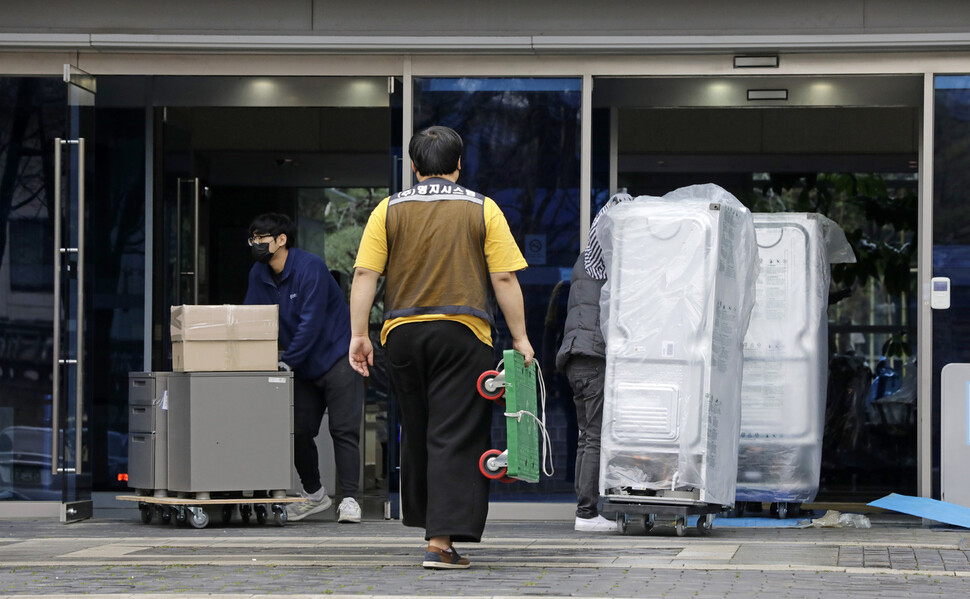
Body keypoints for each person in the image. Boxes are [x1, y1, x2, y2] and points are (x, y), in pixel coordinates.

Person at [348, 125, 533, 570]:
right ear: (459, 164)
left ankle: (431, 527)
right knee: (454, 435)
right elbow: (504, 277)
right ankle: (440, 543)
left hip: (402, 336)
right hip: (462, 333)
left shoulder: (387, 210)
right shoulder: (482, 209)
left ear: (414, 167)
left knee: (417, 432)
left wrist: (358, 335)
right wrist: (521, 338)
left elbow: (364, 276)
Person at [244, 213, 365, 524]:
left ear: (281, 240)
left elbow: (310, 323)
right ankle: (315, 495)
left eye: (262, 238)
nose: (257, 244)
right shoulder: (258, 275)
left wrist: (286, 360)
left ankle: (350, 499)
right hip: (301, 366)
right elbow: (252, 321)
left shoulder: (310, 267)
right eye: (253, 238)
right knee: (296, 431)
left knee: (343, 430)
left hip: (336, 356)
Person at [555, 254, 617, 532]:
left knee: (586, 435)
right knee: (594, 436)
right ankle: (587, 512)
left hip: (574, 356)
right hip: (593, 355)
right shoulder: (609, 260)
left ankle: (584, 507)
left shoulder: (584, 261)